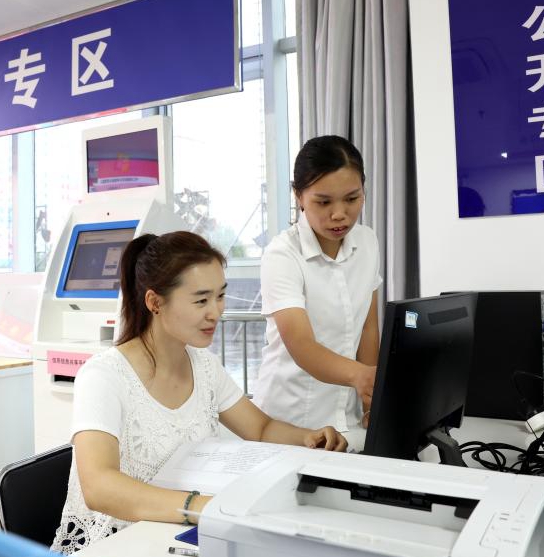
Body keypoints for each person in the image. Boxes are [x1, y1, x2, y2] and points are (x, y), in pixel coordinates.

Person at [51, 231, 347, 554]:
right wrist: (200, 506)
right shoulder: (104, 375)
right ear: (155, 302)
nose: (215, 312)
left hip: (177, 535)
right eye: (201, 300)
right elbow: (99, 487)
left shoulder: (203, 365)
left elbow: (260, 428)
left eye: (220, 296)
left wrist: (308, 438)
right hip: (115, 544)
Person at [252, 135, 382, 451]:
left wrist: (370, 403)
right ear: (298, 196)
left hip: (347, 421)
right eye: (323, 202)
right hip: (290, 421)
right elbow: (302, 345)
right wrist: (361, 376)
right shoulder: (282, 255)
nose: (339, 214)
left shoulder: (367, 242)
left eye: (352, 198)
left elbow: (368, 327)